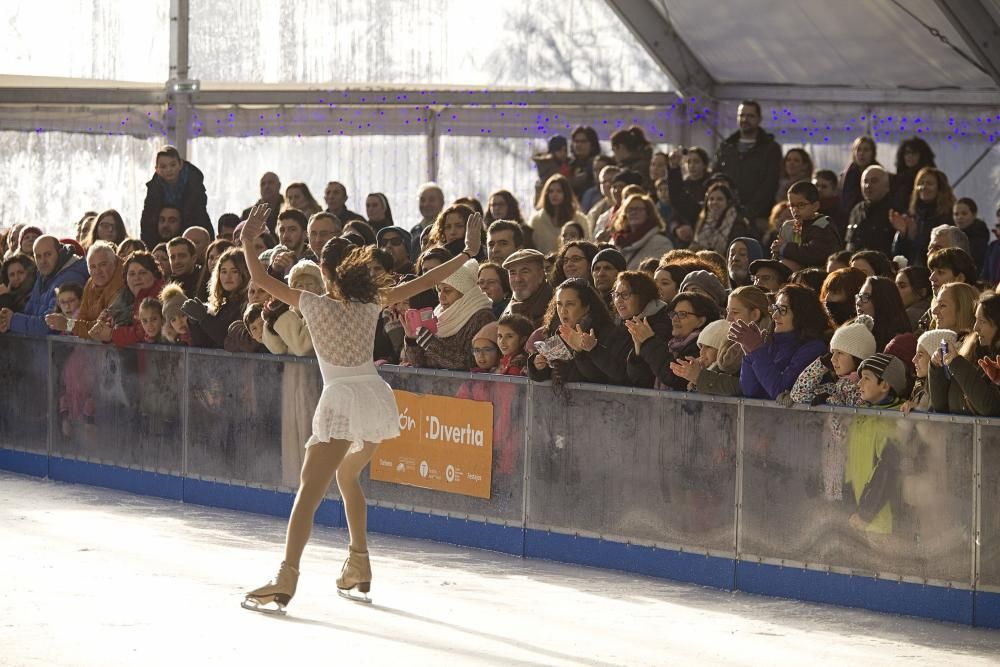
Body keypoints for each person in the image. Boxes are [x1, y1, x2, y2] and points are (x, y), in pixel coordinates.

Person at [240, 204, 486, 613]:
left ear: (326, 271)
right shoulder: (372, 301)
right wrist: (467, 253)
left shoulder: (312, 304)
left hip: (343, 399)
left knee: (309, 492)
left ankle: (286, 577)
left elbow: (260, 278)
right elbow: (427, 279)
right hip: (373, 395)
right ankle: (359, 562)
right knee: (347, 476)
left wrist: (249, 241)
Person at [846, 352, 909, 534]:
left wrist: (865, 513)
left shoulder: (894, 420)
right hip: (861, 518)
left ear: (884, 385)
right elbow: (852, 467)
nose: (859, 383)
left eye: (866, 378)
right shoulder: (864, 414)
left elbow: (887, 472)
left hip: (882, 523)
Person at [732, 283, 830, 399]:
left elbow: (780, 390)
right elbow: (749, 390)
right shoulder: (771, 342)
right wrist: (749, 352)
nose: (774, 316)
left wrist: (757, 350)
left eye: (782, 310)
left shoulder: (814, 348)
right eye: (775, 308)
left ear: (802, 313)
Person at [673, 285, 771, 396]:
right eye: (728, 311)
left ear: (755, 315)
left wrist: (699, 377)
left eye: (735, 312)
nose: (728, 318)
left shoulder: (766, 342)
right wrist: (699, 372)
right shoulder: (730, 343)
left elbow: (745, 388)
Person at [402, 259, 496, 371]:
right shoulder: (438, 316)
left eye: (447, 290)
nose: (441, 297)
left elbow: (468, 362)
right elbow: (418, 364)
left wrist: (429, 342)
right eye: (439, 290)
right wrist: (412, 340)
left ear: (465, 293)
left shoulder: (482, 317)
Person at [525, 278, 622, 385]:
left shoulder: (605, 333)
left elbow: (599, 379)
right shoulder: (556, 331)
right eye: (559, 304)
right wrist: (538, 365)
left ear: (586, 307)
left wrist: (582, 352)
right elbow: (548, 375)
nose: (563, 310)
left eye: (570, 304)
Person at [712, 100, 783, 234]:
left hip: (757, 219)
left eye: (750, 116)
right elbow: (717, 178)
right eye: (742, 115)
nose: (745, 119)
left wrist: (748, 212)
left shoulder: (770, 149)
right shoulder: (726, 147)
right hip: (726, 216)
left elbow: (770, 184)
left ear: (759, 119)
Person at [625, 290, 719, 390]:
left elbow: (673, 377)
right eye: (673, 314)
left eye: (682, 314)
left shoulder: (702, 347)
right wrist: (639, 349)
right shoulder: (669, 343)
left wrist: (649, 342)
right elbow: (640, 380)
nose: (674, 319)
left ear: (700, 321)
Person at [0, 236, 90, 336]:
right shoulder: (43, 275)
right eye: (38, 256)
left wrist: (13, 321)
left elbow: (50, 325)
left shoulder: (70, 278)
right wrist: (5, 320)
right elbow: (29, 311)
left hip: (62, 349)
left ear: (59, 252)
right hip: (41, 348)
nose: (43, 261)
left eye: (47, 254)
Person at [930, 292, 1000, 416]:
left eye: (982, 321)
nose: (976, 327)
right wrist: (937, 369)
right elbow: (941, 407)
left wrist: (957, 363)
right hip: (959, 434)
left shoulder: (963, 364)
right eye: (976, 320)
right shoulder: (971, 353)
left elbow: (989, 409)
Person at [789, 314, 876, 406]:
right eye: (832, 352)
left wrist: (829, 400)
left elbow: (851, 414)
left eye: (840, 353)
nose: (832, 359)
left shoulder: (864, 390)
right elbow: (798, 394)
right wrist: (821, 364)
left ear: (858, 358)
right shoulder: (836, 388)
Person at [43, 241, 123, 340]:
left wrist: (69, 325)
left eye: (103, 264)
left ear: (114, 262)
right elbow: (82, 318)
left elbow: (100, 330)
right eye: (92, 267)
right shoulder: (90, 282)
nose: (97, 271)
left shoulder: (123, 283)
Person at [139, 146, 212, 249]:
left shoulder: (194, 184)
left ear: (180, 164)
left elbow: (199, 216)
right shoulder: (153, 189)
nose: (169, 170)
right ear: (157, 169)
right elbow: (148, 221)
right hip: (162, 237)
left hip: (192, 233)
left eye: (172, 165)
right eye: (163, 167)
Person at [88, 251, 165, 348]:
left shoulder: (163, 296)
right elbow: (111, 316)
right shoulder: (125, 297)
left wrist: (112, 335)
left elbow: (146, 330)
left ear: (154, 275)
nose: (137, 278)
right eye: (132, 274)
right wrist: (102, 326)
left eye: (142, 273)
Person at [179, 248, 250, 349]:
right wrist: (194, 322)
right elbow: (203, 344)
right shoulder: (222, 305)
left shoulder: (247, 304)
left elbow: (228, 340)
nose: (227, 277)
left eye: (234, 271)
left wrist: (204, 318)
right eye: (224, 271)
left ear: (245, 273)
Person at [891, 167, 955, 268]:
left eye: (929, 183)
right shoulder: (912, 215)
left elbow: (939, 252)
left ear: (940, 188)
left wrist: (915, 237)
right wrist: (903, 235)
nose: (923, 187)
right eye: (920, 183)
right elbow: (898, 256)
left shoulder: (949, 217)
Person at [771, 181, 841, 271]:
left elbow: (814, 254)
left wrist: (784, 248)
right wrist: (776, 250)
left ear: (815, 206)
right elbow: (779, 252)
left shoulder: (822, 226)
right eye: (792, 205)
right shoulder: (788, 226)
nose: (795, 210)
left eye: (801, 205)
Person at [528, 174, 590, 255]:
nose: (554, 194)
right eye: (551, 191)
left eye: (559, 191)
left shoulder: (580, 219)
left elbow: (587, 246)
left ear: (566, 193)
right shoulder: (536, 220)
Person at [610, 194, 673, 269]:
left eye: (638, 209)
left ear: (648, 213)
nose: (634, 212)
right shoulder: (616, 241)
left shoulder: (661, 243)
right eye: (630, 209)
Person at [903, 329, 958, 414]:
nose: (913, 360)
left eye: (920, 354)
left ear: (936, 356)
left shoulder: (949, 393)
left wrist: (919, 411)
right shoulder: (920, 387)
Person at [844, 165, 894, 257]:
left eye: (874, 181)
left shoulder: (894, 210)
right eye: (865, 181)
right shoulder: (857, 210)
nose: (868, 186)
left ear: (886, 186)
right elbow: (850, 243)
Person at [690, 182, 750, 256]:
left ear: (728, 202)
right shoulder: (702, 220)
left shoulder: (738, 223)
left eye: (720, 199)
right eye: (711, 199)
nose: (714, 202)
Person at [500, 249, 552, 328]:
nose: (518, 279)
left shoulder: (554, 306)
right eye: (512, 273)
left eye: (525, 272)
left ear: (541, 275)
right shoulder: (508, 310)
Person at [665, 146, 710, 233]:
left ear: (704, 165)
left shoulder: (710, 185)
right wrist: (677, 228)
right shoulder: (683, 185)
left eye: (696, 162)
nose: (692, 166)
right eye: (689, 162)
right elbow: (675, 212)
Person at [890, 137, 936, 213]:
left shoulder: (930, 176)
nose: (909, 156)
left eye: (914, 153)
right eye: (907, 153)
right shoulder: (898, 178)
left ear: (922, 155)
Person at [839, 136, 878, 217]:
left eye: (866, 150)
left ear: (873, 153)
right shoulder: (846, 175)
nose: (861, 153)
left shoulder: (879, 173)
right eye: (858, 149)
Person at [408, 182, 445, 260]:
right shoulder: (415, 229)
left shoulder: (446, 227)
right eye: (422, 200)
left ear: (442, 202)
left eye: (431, 200)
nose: (426, 204)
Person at [610, 125, 654, 191]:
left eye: (614, 150)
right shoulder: (642, 163)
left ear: (621, 147)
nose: (613, 155)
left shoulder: (639, 168)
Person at [952, 197, 989, 273]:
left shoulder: (980, 238)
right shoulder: (952, 235)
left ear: (974, 214)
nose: (959, 217)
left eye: (964, 213)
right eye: (956, 214)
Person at [568, 126, 602, 201]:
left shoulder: (598, 164)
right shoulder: (569, 164)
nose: (578, 145)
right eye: (576, 141)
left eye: (583, 141)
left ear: (592, 144)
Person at [896, 266, 932, 332]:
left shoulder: (908, 316)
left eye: (902, 286)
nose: (895, 290)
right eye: (895, 286)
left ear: (922, 291)